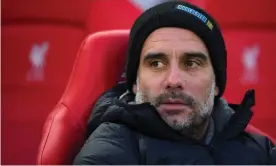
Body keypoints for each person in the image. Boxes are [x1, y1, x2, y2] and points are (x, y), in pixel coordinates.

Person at [74, 1, 276, 165]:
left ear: (216, 85)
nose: (173, 81)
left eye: (192, 63)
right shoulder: (109, 150)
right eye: (156, 63)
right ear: (134, 83)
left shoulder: (261, 151)